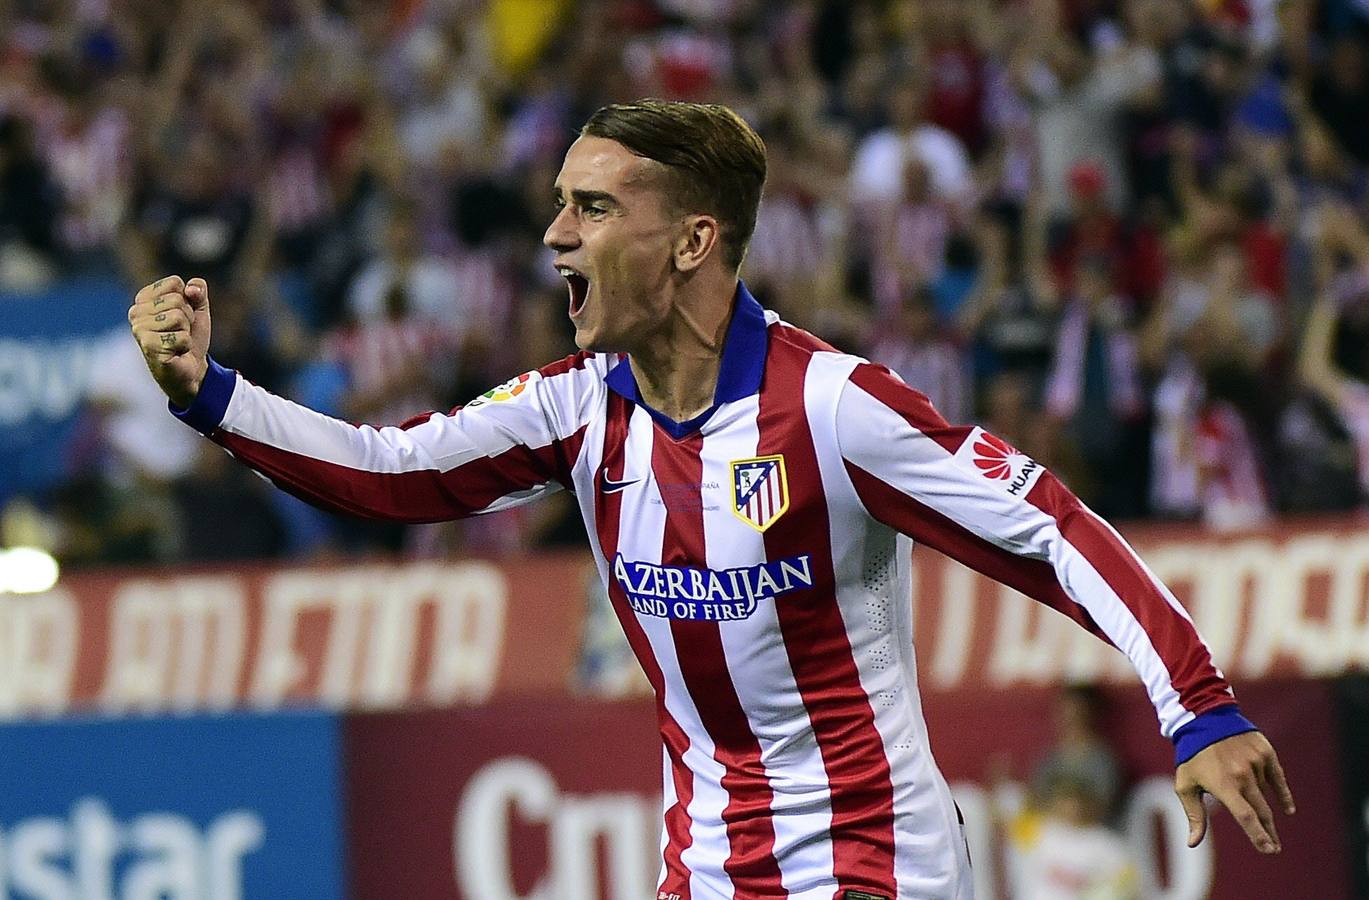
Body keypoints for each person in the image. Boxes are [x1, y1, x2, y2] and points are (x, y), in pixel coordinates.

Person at [128, 99, 1293, 899]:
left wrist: (1196, 706)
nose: (553, 233)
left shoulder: (835, 411)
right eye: (558, 203)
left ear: (691, 240)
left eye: (590, 207)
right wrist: (211, 396)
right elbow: (388, 475)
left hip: (877, 865)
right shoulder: (576, 408)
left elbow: (1047, 527)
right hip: (709, 871)